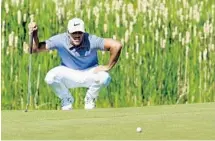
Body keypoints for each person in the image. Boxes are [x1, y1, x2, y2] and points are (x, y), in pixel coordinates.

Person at [28, 18, 122, 110]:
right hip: (69, 72)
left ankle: (90, 99)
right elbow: (36, 49)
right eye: (74, 33)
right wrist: (35, 35)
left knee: (105, 78)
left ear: (83, 32)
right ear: (68, 33)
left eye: (80, 32)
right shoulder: (60, 39)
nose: (77, 35)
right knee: (50, 78)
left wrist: (108, 66)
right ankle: (66, 99)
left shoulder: (91, 40)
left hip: (90, 72)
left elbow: (117, 45)